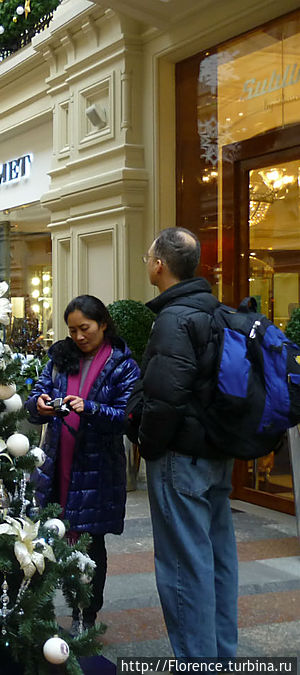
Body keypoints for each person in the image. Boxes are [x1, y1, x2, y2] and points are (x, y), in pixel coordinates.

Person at [131, 226, 237, 657]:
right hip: (215, 453)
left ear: (159, 265)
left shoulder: (174, 318)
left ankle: (197, 661)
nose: (147, 265)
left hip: (181, 457)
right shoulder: (215, 310)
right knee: (216, 559)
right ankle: (220, 654)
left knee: (183, 565)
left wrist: (148, 445)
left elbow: (164, 397)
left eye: (148, 258)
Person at [25, 295, 140, 631]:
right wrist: (40, 404)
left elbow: (125, 417)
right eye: (72, 330)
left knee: (90, 544)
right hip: (58, 462)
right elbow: (36, 398)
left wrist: (89, 408)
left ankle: (85, 615)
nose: (77, 336)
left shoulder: (122, 365)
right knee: (49, 536)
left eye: (84, 328)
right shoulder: (61, 359)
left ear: (103, 324)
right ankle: (43, 610)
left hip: (97, 468)